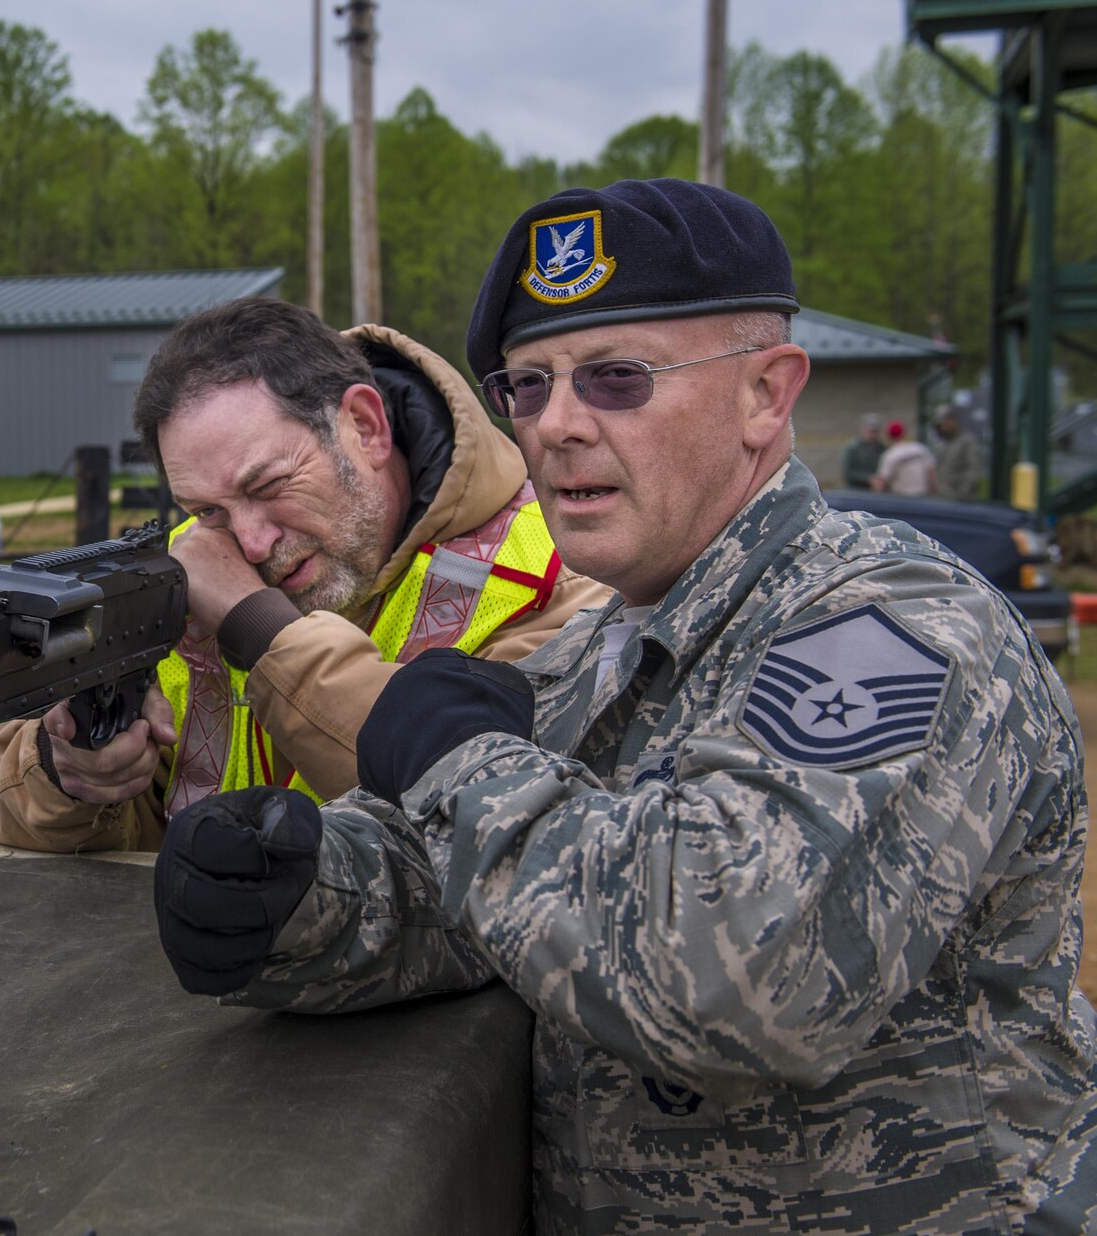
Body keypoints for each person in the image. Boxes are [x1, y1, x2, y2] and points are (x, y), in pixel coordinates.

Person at [151, 178, 1097, 1232]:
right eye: (526, 383)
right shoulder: (610, 643)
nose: (554, 425)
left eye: (615, 378)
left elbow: (728, 970)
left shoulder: (891, 626)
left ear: (764, 394)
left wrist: (453, 754)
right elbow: (475, 892)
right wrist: (294, 894)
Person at [0, 297, 609, 852]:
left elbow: (487, 821)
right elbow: (18, 818)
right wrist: (73, 774)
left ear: (365, 426)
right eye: (207, 510)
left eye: (271, 485)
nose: (251, 543)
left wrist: (259, 630)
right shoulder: (180, 567)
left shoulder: (560, 575)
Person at [871, 418, 937, 495]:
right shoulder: (920, 449)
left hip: (901, 500)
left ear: (889, 436)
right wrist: (935, 494)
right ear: (904, 433)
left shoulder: (889, 455)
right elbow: (931, 474)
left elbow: (881, 483)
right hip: (922, 497)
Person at [931, 402, 982, 500]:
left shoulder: (967, 442)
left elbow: (973, 470)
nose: (941, 429)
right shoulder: (939, 444)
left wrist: (962, 494)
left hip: (959, 499)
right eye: (938, 426)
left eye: (943, 424)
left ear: (953, 421)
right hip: (940, 498)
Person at [838, 411, 884, 490]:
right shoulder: (852, 448)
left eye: (876, 432)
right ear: (863, 430)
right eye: (871, 432)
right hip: (855, 489)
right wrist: (867, 478)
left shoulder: (881, 448)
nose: (873, 435)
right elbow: (847, 471)